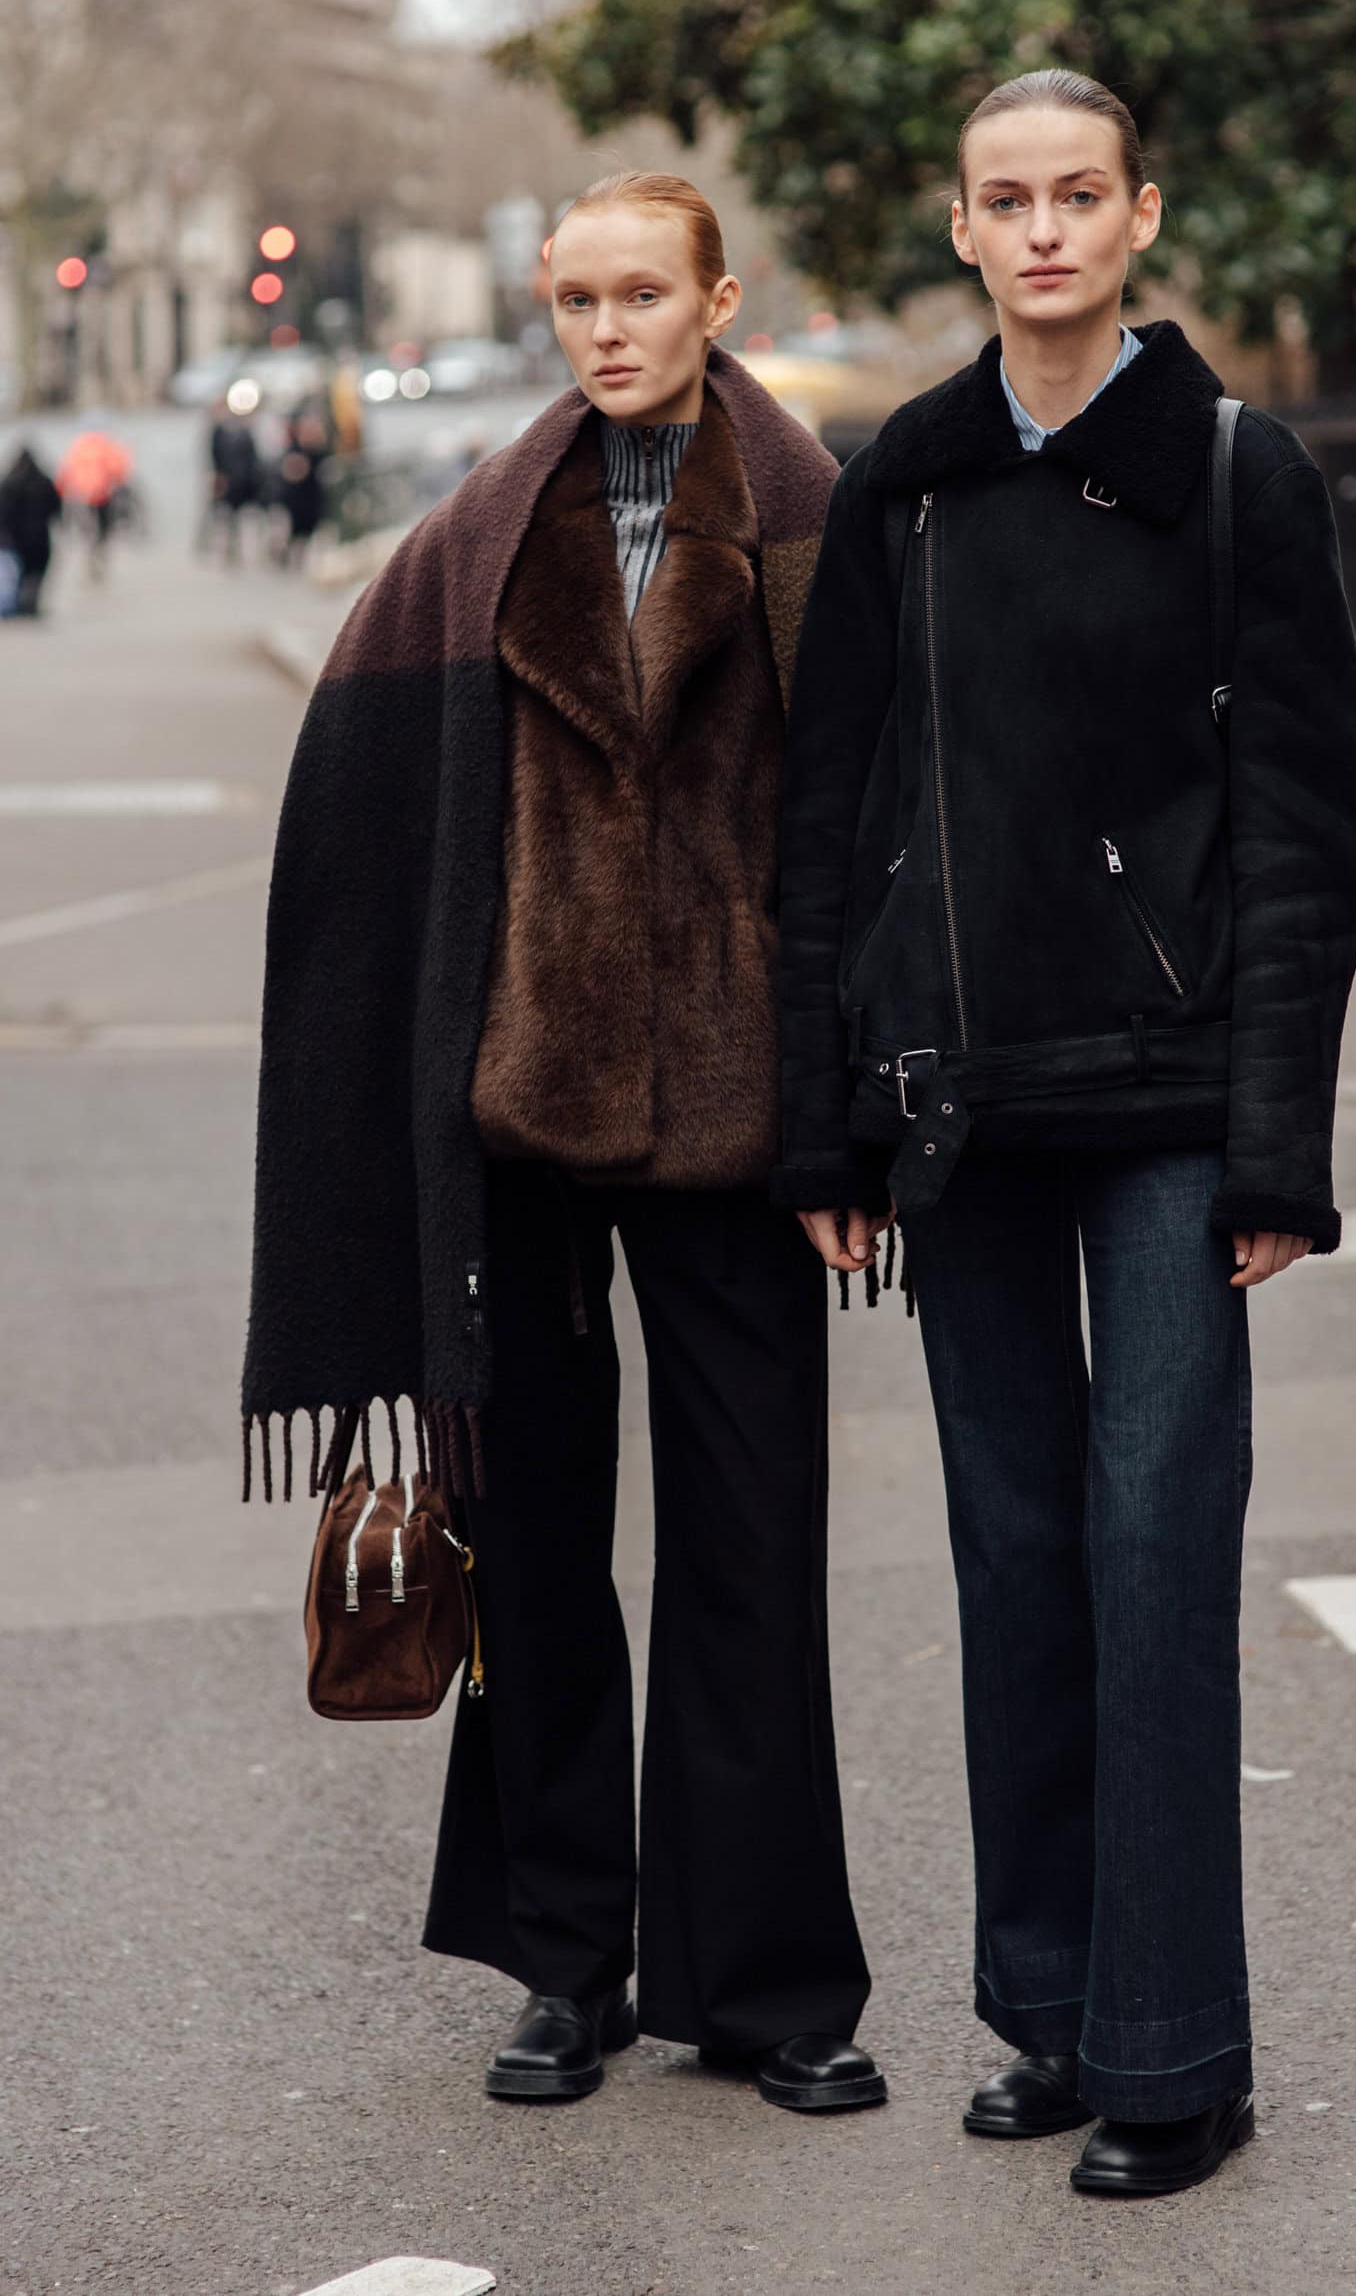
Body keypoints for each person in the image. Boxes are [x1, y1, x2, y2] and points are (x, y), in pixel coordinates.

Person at [774, 69, 1356, 2198]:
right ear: (958, 230)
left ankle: (1168, 2053)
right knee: (1014, 1564)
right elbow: (827, 824)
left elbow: (1307, 834)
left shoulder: (1233, 472)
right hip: (956, 1110)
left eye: (1074, 197)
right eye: (1001, 200)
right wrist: (826, 1130)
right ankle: (1043, 2008)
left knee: (1144, 1554)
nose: (1039, 231)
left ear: (1136, 215)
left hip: (1160, 1113)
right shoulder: (901, 487)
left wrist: (1271, 1145)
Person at [241, 172, 879, 2119]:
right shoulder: (469, 537)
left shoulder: (813, 525)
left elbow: (875, 839)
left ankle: (765, 1986)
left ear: (715, 299)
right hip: (513, 1112)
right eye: (573, 299)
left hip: (737, 1113)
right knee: (529, 1550)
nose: (605, 330)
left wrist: (850, 1110)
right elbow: (366, 828)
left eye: (640, 295)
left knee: (751, 1550)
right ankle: (562, 1959)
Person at [54, 418, 132, 580]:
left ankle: (91, 553)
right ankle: (98, 553)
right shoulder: (108, 446)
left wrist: (60, 493)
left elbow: (65, 472)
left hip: (81, 496)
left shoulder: (77, 447)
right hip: (103, 495)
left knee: (88, 528)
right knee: (104, 528)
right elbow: (119, 470)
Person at [0, 446, 64, 617]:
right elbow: (57, 508)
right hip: (41, 537)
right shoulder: (45, 481)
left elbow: (3, 512)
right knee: (36, 572)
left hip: (16, 539)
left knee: (20, 573)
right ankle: (31, 603)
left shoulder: (9, 483)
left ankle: (22, 604)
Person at [206, 401, 264, 564]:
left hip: (246, 480)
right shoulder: (219, 432)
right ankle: (230, 548)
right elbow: (214, 455)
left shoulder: (245, 432)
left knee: (250, 515)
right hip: (229, 480)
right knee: (228, 516)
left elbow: (253, 457)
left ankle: (256, 550)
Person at [272, 414, 328, 566]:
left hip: (313, 497)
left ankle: (295, 556)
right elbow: (291, 472)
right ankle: (286, 553)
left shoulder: (320, 450)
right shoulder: (294, 449)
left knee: (309, 530)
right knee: (295, 530)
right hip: (296, 498)